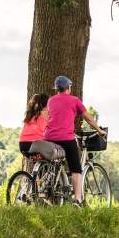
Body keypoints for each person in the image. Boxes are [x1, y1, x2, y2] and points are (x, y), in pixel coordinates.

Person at [43, 76, 106, 206]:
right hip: (66, 138)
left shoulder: (51, 101)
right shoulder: (74, 100)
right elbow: (88, 118)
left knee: (54, 161)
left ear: (57, 89)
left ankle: (49, 190)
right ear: (68, 88)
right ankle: (77, 200)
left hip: (49, 137)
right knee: (76, 168)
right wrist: (99, 130)